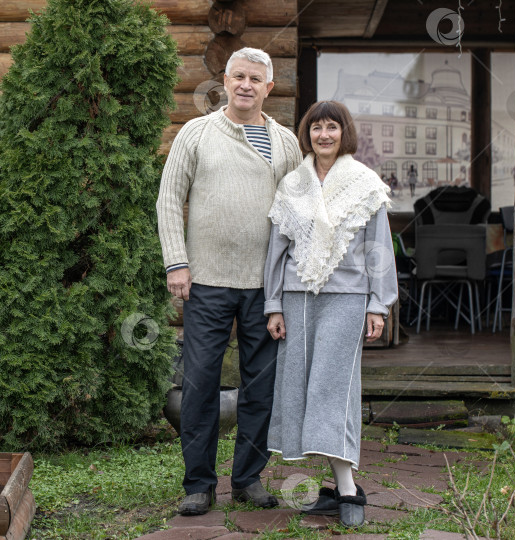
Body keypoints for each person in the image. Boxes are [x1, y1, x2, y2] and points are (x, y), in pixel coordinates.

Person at [156, 47, 302, 516]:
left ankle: (247, 480)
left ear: (268, 87)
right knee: (200, 383)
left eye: (255, 79)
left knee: (261, 387)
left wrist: (293, 281)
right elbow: (168, 199)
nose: (245, 85)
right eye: (238, 76)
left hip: (266, 289)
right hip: (207, 283)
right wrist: (177, 262)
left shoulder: (284, 142)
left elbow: (299, 214)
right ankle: (198, 484)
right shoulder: (196, 133)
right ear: (225, 79)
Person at [263, 100, 398, 528]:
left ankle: (346, 491)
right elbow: (277, 249)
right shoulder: (292, 184)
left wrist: (379, 304)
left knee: (332, 389)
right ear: (307, 133)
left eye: (332, 128)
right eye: (317, 127)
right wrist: (273, 304)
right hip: (298, 297)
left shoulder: (364, 182)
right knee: (302, 388)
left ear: (345, 133)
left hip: (346, 297)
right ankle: (341, 489)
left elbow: (379, 248)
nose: (324, 135)